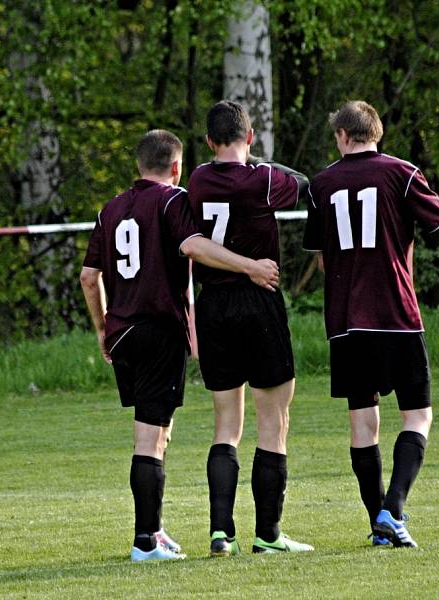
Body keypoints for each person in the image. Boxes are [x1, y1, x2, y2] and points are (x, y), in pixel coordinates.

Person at [80, 128, 280, 562]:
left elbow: (88, 276)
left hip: (122, 331)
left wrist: (101, 328)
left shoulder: (109, 210)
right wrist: (249, 267)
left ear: (139, 164)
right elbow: (193, 246)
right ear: (176, 167)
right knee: (149, 439)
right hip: (157, 329)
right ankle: (144, 541)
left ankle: (156, 531)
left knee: (157, 431)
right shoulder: (172, 201)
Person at [304, 100, 439, 548]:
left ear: (342, 136)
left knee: (362, 423)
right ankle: (392, 510)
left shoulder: (322, 183)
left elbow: (318, 248)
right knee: (418, 415)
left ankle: (379, 524)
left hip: (345, 321)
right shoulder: (401, 172)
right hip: (395, 314)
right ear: (377, 133)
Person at [186, 100, 314, 556]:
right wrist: (258, 160)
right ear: (251, 137)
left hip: (213, 306)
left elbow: (193, 243)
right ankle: (269, 534)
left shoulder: (197, 179)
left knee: (225, 424)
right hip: (258, 301)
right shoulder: (262, 179)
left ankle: (222, 533)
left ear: (207, 141)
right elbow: (303, 184)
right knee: (273, 420)